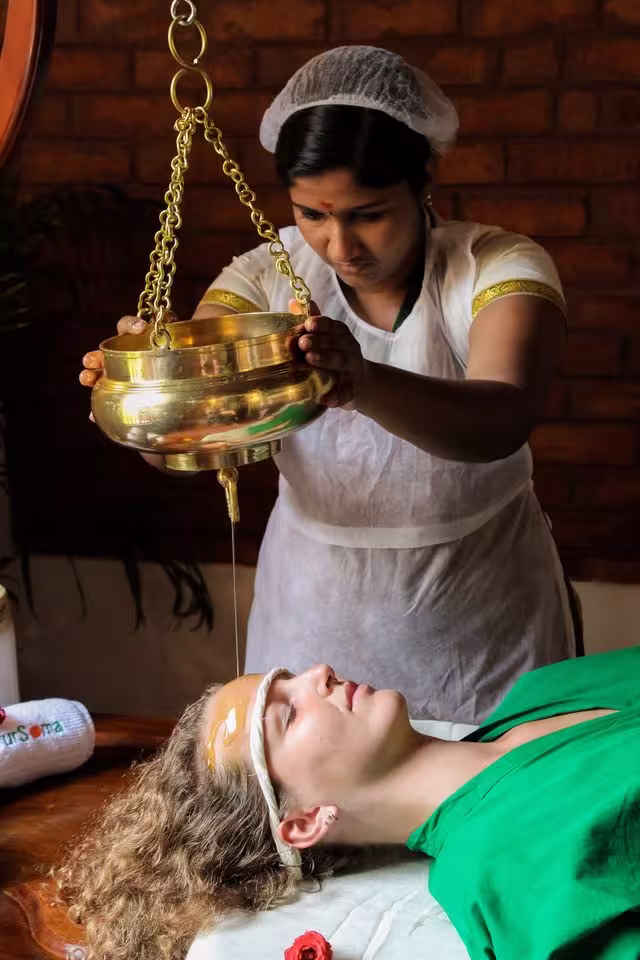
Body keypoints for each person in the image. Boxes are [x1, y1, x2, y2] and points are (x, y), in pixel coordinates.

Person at [80, 46, 578, 723]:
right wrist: (152, 384)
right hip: (313, 615)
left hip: (477, 617)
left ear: (423, 180)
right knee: (309, 812)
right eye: (313, 214)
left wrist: (362, 383)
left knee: (486, 804)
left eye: (368, 212)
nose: (340, 245)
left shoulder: (495, 266)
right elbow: (197, 442)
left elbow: (502, 419)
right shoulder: (263, 276)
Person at [58, 648, 640, 960]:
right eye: (289, 712)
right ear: (306, 821)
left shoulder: (546, 688)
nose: (320, 673)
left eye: (291, 677)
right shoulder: (509, 872)